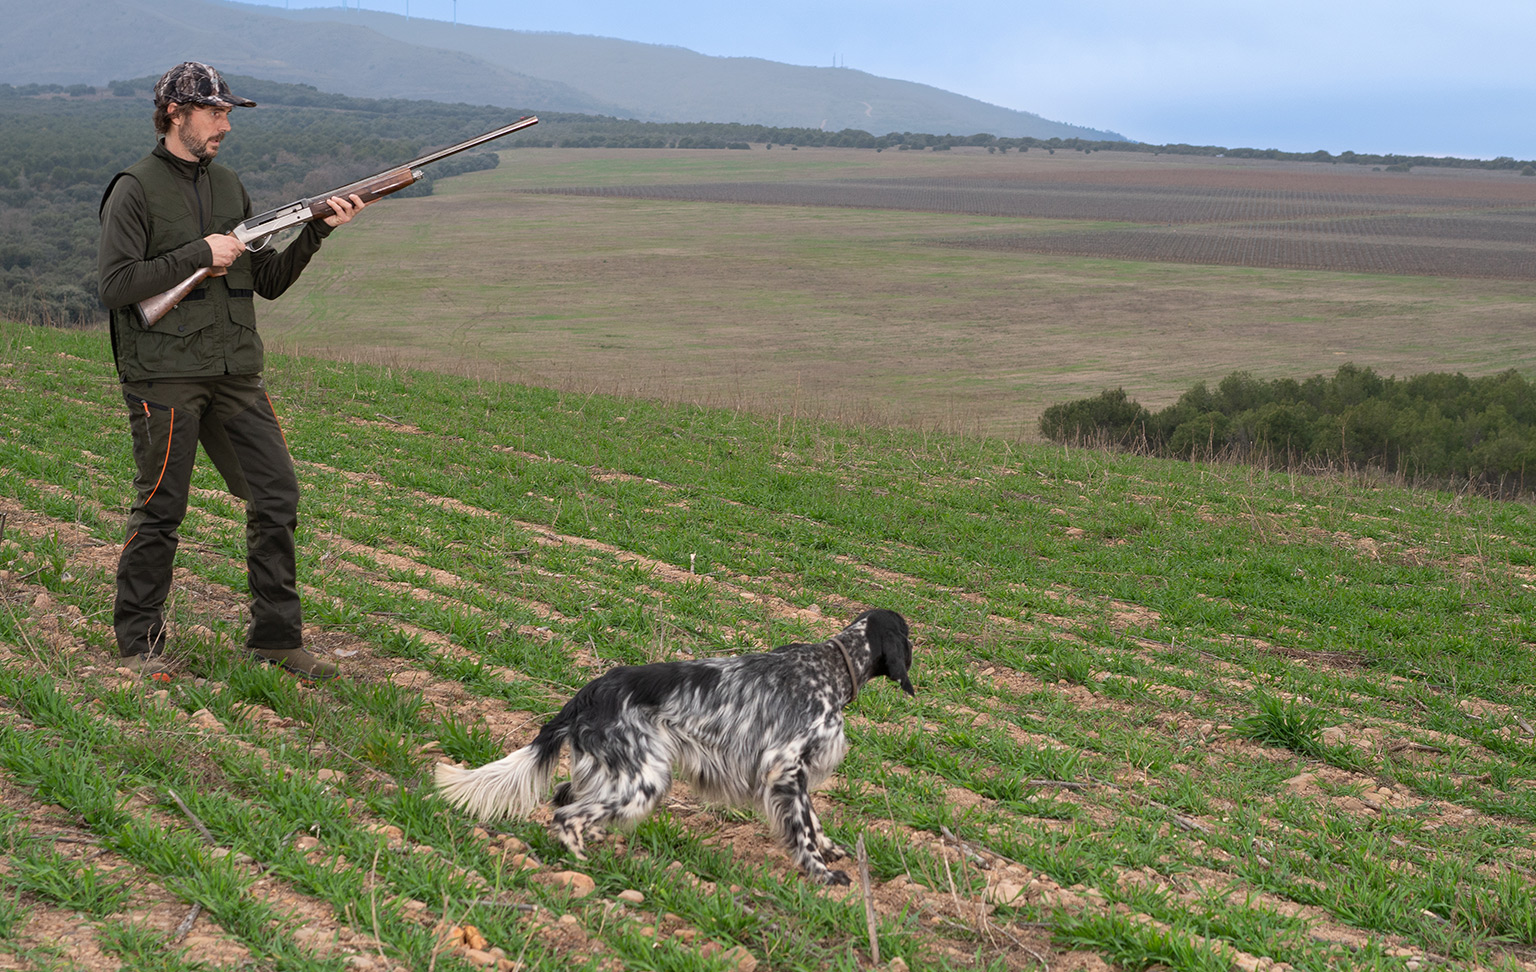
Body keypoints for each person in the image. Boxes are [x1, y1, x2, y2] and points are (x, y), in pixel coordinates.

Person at [98, 61, 370, 680]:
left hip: (234, 372)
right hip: (164, 375)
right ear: (175, 113)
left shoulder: (229, 187)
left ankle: (276, 639)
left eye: (227, 113)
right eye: (215, 112)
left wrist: (316, 233)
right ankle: (139, 644)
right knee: (163, 507)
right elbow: (115, 287)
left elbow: (265, 281)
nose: (225, 124)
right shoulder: (134, 188)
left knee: (276, 495)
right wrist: (199, 253)